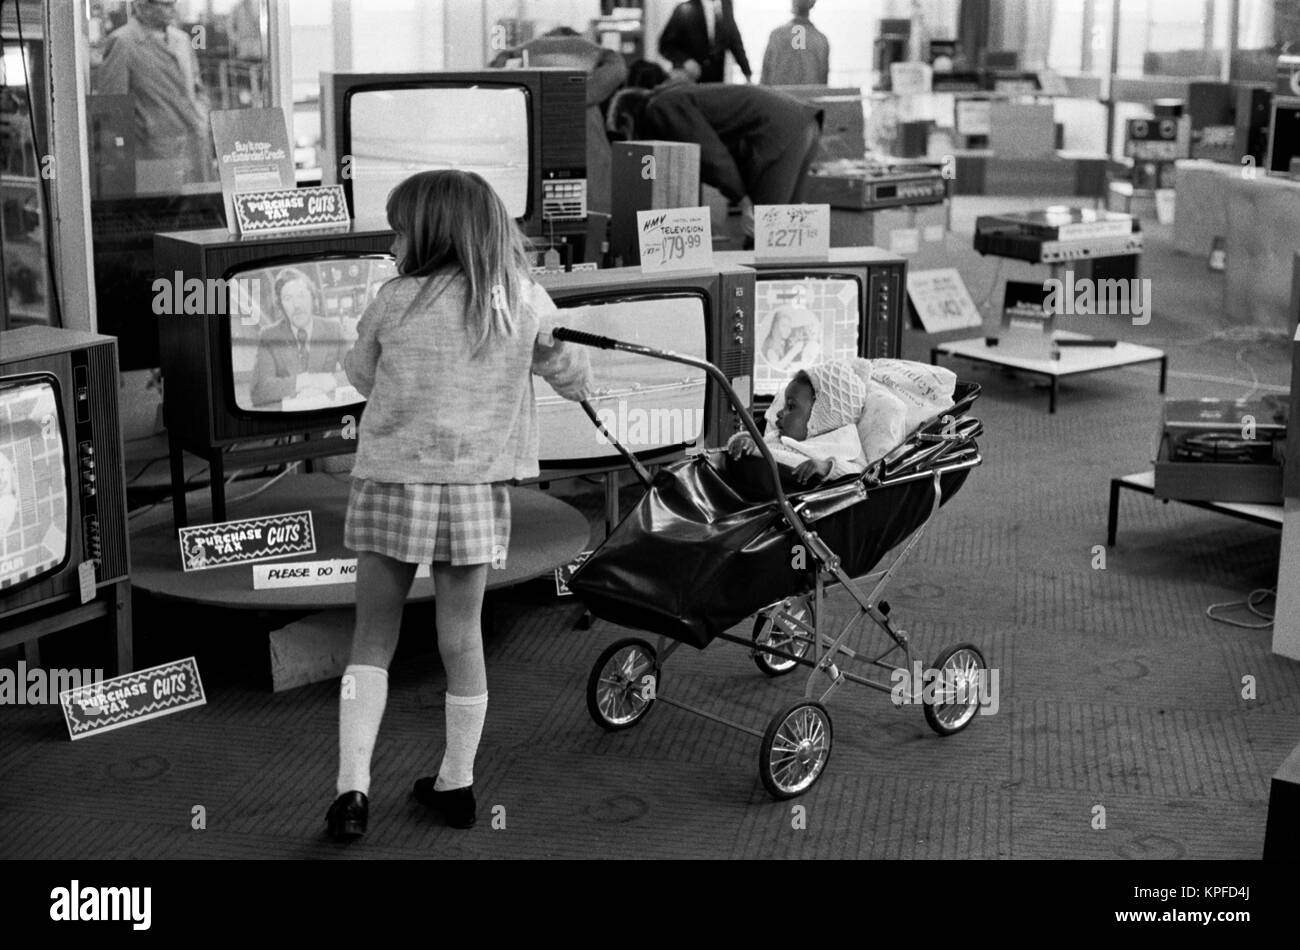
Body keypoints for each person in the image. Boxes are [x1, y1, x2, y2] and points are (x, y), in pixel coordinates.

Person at [325, 170, 593, 841]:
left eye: (399, 227)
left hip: (392, 482)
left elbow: (359, 374)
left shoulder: (393, 300)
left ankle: (352, 789)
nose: (393, 241)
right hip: (474, 489)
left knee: (372, 638)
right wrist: (556, 362)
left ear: (433, 230)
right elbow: (573, 375)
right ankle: (457, 782)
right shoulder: (521, 301)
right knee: (461, 637)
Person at [609, 68, 823, 245]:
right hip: (803, 123)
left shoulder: (660, 107)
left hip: (779, 130)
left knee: (765, 235)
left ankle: (760, 293)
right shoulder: (675, 97)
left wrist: (741, 199)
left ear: (628, 119)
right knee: (789, 233)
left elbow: (711, 153)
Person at [489, 27, 627, 215]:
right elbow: (618, 71)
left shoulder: (516, 62)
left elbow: (494, 73)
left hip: (528, 158)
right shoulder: (602, 64)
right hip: (590, 167)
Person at [93, 0, 215, 188]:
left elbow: (197, 88)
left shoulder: (181, 40)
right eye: (162, 4)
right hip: (153, 158)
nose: (170, 9)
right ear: (140, 5)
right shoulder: (123, 42)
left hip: (194, 151)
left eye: (172, 3)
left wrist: (201, 117)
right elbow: (111, 110)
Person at [728, 361, 869, 486]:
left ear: (820, 417)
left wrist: (826, 467)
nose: (779, 413)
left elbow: (860, 473)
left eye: (790, 407)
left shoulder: (843, 443)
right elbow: (764, 444)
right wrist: (747, 441)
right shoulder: (778, 436)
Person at [249, 269, 349, 407]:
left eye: (301, 296)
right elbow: (258, 391)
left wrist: (330, 380)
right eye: (288, 298)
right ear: (281, 306)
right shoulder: (269, 335)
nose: (296, 305)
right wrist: (303, 381)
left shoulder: (333, 329)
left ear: (312, 298)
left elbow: (358, 371)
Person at [658, 0, 752, 84]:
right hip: (690, 82)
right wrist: (685, 61)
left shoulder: (726, 5)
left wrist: (747, 73)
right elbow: (665, 45)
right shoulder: (684, 9)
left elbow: (734, 40)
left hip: (715, 83)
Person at [761, 0, 830, 86]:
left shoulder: (776, 35)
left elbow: (765, 78)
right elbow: (823, 83)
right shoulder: (821, 40)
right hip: (807, 98)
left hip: (779, 97)